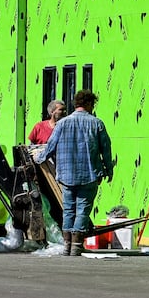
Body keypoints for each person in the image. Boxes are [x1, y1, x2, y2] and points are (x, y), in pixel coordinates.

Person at [35, 89, 114, 256]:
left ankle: (67, 245)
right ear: (88, 104)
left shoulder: (62, 124)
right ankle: (77, 245)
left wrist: (38, 159)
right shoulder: (96, 123)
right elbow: (106, 149)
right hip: (89, 174)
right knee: (83, 209)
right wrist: (108, 169)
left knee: (69, 209)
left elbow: (50, 147)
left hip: (66, 174)